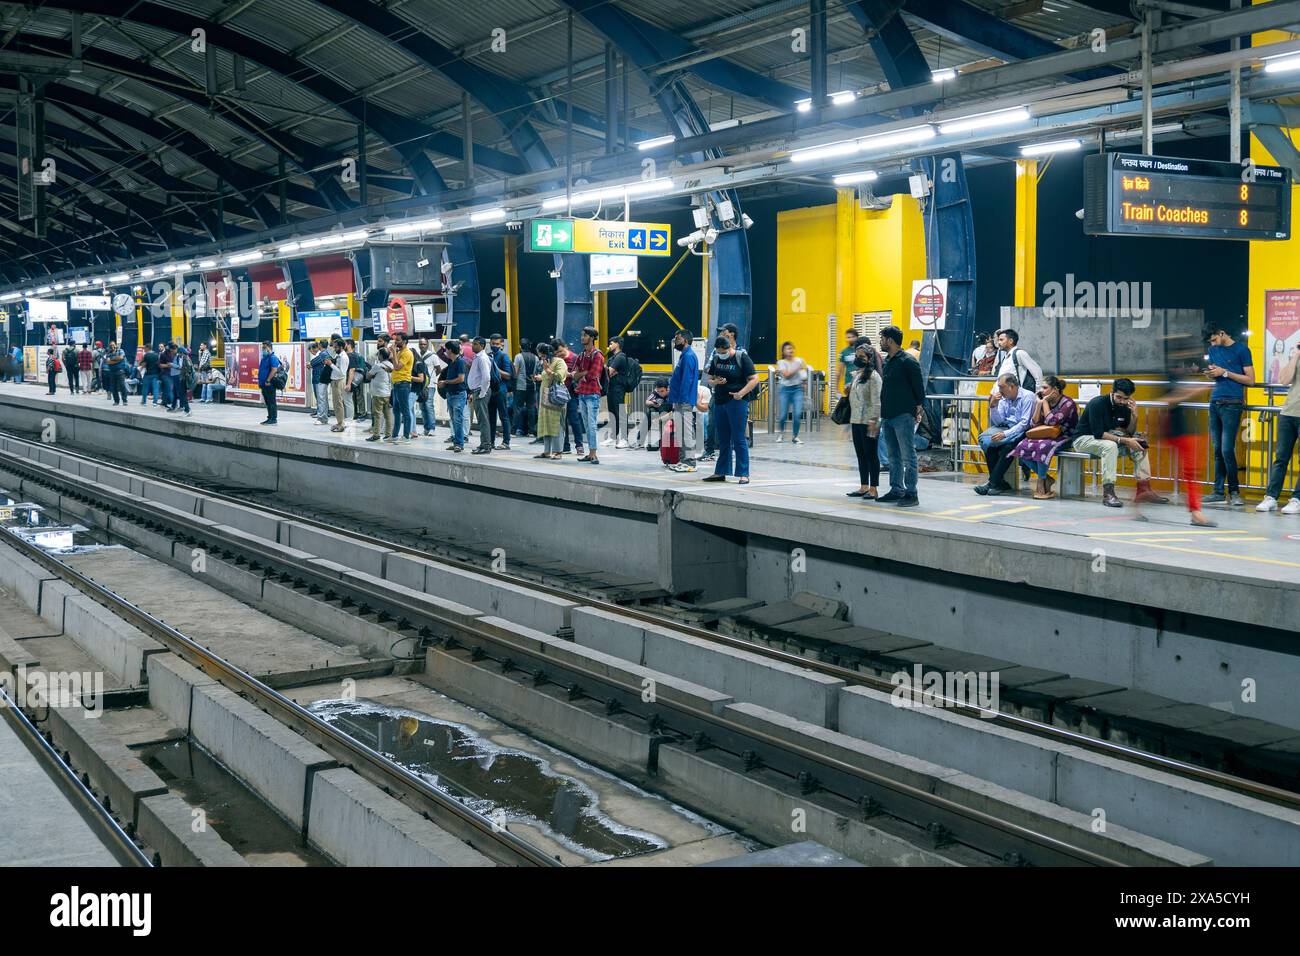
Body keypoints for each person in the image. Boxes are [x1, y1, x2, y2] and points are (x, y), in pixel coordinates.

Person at [1070, 378, 1162, 508]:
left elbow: (1128, 432)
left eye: (1126, 398)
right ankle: (1108, 493)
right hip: (1083, 439)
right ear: (1111, 392)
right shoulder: (1097, 403)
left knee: (1140, 444)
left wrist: (1135, 416)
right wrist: (1125, 440)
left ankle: (1144, 489)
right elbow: (1099, 433)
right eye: (1119, 397)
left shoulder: (1125, 406)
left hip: (1108, 437)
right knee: (1111, 446)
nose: (1122, 401)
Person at [1160, 337, 1215, 526]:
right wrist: (1194, 391)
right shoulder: (1171, 372)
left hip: (1180, 427)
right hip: (1175, 428)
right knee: (1190, 472)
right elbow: (1169, 400)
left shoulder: (1177, 370)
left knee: (1189, 472)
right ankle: (1196, 512)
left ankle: (1138, 502)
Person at [1204, 325, 1255, 506]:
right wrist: (1212, 374)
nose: (1212, 344)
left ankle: (1234, 491)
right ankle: (1218, 491)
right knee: (1217, 450)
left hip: (1232, 403)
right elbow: (1216, 375)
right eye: (1211, 341)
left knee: (1227, 449)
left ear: (1222, 333)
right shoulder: (1213, 350)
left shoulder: (1241, 349)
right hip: (1215, 402)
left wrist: (1224, 372)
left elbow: (1250, 380)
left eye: (1214, 339)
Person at [1008, 375, 1078, 500]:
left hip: (1065, 436)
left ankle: (1041, 482)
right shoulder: (1042, 400)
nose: (1041, 391)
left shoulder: (1068, 403)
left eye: (1045, 388)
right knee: (1020, 447)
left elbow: (1052, 422)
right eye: (1041, 387)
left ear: (1055, 390)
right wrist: (1039, 404)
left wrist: (1044, 402)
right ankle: (1047, 478)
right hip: (1046, 435)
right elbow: (1034, 423)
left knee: (1043, 446)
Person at [876, 325, 925, 507]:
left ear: (889, 340)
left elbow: (919, 387)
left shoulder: (908, 361)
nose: (880, 342)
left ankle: (912, 493)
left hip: (904, 415)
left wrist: (918, 408)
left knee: (908, 456)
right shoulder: (888, 361)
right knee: (892, 455)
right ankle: (896, 489)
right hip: (888, 415)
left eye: (882, 339)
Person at [701, 335, 758, 485]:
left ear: (729, 348)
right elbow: (710, 380)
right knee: (723, 439)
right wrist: (716, 382)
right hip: (720, 402)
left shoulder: (741, 357)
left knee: (739, 438)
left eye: (723, 351)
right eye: (718, 351)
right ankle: (721, 471)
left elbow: (754, 379)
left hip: (737, 402)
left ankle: (743, 473)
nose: (721, 354)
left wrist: (741, 393)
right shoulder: (716, 358)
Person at [974, 373, 1036, 496]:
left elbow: (1024, 423)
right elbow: (999, 422)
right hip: (1006, 428)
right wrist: (993, 407)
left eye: (1001, 387)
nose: (999, 390)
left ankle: (991, 484)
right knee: (991, 447)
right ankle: (1000, 483)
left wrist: (1005, 434)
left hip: (1023, 431)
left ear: (1011, 386)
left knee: (1007, 449)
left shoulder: (1028, 397)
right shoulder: (1003, 399)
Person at [1258, 340, 1300, 515]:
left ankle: (1296, 499)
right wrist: (1295, 355)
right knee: (1281, 458)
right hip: (1288, 413)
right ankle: (1271, 497)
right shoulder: (1295, 356)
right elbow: (1283, 380)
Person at [846, 342, 883, 499]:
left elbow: (877, 401)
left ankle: (873, 488)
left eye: (861, 357)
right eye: (856, 356)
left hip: (869, 421)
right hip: (856, 420)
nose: (858, 359)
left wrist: (874, 420)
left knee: (871, 455)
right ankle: (863, 486)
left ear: (869, 358)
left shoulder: (874, 377)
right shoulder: (857, 375)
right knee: (860, 454)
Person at [573, 326, 605, 464]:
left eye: (585, 335)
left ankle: (593, 454)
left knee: (591, 425)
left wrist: (582, 373)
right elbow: (574, 374)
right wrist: (583, 374)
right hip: (582, 393)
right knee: (586, 424)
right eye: (582, 335)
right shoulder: (581, 355)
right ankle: (590, 453)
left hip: (592, 393)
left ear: (591, 337)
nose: (582, 338)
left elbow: (592, 375)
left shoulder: (597, 355)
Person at [667, 328, 699, 459]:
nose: (675, 342)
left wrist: (683, 400)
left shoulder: (689, 356)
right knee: (680, 432)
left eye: (678, 339)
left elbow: (687, 380)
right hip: (680, 400)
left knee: (686, 431)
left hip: (684, 401)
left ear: (685, 340)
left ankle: (690, 461)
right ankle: (682, 460)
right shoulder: (684, 355)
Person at [535, 341, 569, 460]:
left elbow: (560, 377)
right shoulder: (547, 363)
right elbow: (547, 377)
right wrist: (541, 376)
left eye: (542, 355)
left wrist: (548, 370)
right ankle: (546, 451)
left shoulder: (560, 362)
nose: (541, 357)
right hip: (545, 396)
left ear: (548, 353)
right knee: (546, 424)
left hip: (556, 397)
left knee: (557, 424)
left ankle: (558, 451)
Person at [775, 341, 807, 444]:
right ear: (783, 351)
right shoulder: (781, 362)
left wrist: (804, 384)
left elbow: (803, 375)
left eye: (791, 348)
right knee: (783, 414)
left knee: (797, 414)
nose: (790, 350)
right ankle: (781, 433)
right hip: (785, 389)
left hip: (797, 389)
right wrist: (797, 367)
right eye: (787, 349)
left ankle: (795, 436)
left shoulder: (799, 360)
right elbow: (786, 375)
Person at [438, 340, 468, 452]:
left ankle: (459, 444)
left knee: (458, 420)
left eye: (446, 349)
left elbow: (461, 379)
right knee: (454, 419)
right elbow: (440, 354)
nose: (445, 351)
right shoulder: (452, 361)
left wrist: (445, 382)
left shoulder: (460, 362)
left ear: (450, 350)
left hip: (458, 395)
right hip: (451, 395)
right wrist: (442, 348)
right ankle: (456, 441)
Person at [556, 340, 585, 457]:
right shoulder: (556, 359)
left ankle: (579, 445)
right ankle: (565, 445)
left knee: (574, 419)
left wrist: (570, 374)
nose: (559, 354)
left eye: (560, 351)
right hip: (559, 393)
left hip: (571, 393)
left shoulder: (575, 358)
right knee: (562, 421)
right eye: (556, 353)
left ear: (566, 347)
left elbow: (580, 373)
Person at [992, 328, 1042, 394]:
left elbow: (1037, 371)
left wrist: (1037, 393)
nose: (999, 342)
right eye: (998, 340)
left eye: (1001, 340)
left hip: (1019, 398)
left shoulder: (1019, 353)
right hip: (1006, 398)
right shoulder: (1006, 356)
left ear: (1010, 341)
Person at [467, 336, 494, 454]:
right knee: (481, 420)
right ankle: (483, 444)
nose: (473, 346)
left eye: (476, 344)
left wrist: (482, 393)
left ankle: (486, 445)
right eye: (473, 343)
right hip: (477, 391)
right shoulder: (477, 357)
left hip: (481, 391)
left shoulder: (482, 358)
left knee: (483, 420)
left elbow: (486, 377)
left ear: (482, 346)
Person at [487, 333, 514, 449]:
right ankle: (491, 441)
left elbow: (508, 375)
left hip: (501, 390)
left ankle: (506, 442)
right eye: (493, 343)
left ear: (502, 344)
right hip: (490, 390)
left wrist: (495, 368)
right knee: (491, 417)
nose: (495, 346)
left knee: (504, 416)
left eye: (497, 344)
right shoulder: (487, 356)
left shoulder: (504, 357)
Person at [603, 336, 629, 448]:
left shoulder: (620, 357)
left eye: (611, 343)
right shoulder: (612, 358)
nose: (609, 345)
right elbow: (608, 372)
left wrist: (605, 369)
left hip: (618, 389)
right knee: (612, 413)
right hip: (611, 388)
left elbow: (609, 371)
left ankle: (624, 439)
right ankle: (613, 437)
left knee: (620, 413)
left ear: (617, 344)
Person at [389, 332, 414, 444]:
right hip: (396, 384)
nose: (396, 342)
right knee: (396, 410)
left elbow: (397, 367)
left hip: (403, 384)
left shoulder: (407, 353)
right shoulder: (400, 352)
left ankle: (406, 436)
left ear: (404, 341)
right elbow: (393, 363)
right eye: (395, 340)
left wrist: (394, 353)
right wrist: (393, 353)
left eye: (398, 340)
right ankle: (394, 435)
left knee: (405, 411)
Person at [365, 347, 394, 443]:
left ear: (381, 356)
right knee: (388, 415)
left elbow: (368, 376)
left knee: (377, 415)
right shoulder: (392, 365)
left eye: (378, 354)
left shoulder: (378, 366)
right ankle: (388, 434)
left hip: (378, 394)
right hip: (388, 393)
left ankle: (376, 434)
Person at [514, 338, 539, 440]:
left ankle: (516, 429)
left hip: (520, 386)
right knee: (531, 408)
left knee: (518, 408)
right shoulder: (536, 357)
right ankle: (532, 431)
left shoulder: (518, 357)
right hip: (532, 386)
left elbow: (516, 372)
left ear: (520, 346)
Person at [643, 378, 671, 452]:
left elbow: (674, 412)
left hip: (670, 414)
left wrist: (660, 419)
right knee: (649, 414)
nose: (660, 393)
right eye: (658, 391)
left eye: (662, 391)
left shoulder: (673, 394)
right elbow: (647, 402)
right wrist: (653, 403)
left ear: (667, 389)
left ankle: (662, 442)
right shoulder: (656, 392)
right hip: (660, 412)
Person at [257, 341, 281, 425]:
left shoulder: (272, 357)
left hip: (269, 384)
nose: (263, 350)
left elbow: (274, 369)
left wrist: (268, 380)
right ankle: (269, 417)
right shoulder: (264, 358)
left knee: (271, 401)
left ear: (269, 347)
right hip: (264, 384)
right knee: (267, 402)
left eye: (264, 348)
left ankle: (273, 419)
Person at [308, 341, 330, 423]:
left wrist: (310, 364)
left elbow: (312, 363)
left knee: (321, 399)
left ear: (320, 345)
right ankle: (323, 416)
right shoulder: (324, 354)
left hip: (320, 379)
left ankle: (322, 418)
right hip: (321, 379)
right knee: (322, 398)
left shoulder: (323, 354)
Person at [103, 340, 127, 405]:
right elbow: (108, 362)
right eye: (111, 345)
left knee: (122, 385)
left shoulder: (120, 351)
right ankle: (116, 401)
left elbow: (121, 357)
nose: (112, 346)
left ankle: (124, 400)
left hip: (120, 371)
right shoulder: (108, 353)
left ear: (115, 345)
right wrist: (117, 360)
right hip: (112, 372)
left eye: (113, 345)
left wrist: (112, 360)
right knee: (114, 387)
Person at [839, 326, 860, 394]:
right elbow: (839, 371)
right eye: (848, 337)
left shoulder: (862, 350)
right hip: (848, 383)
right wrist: (836, 388)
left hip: (861, 382)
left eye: (852, 337)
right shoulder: (844, 352)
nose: (850, 339)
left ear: (857, 337)